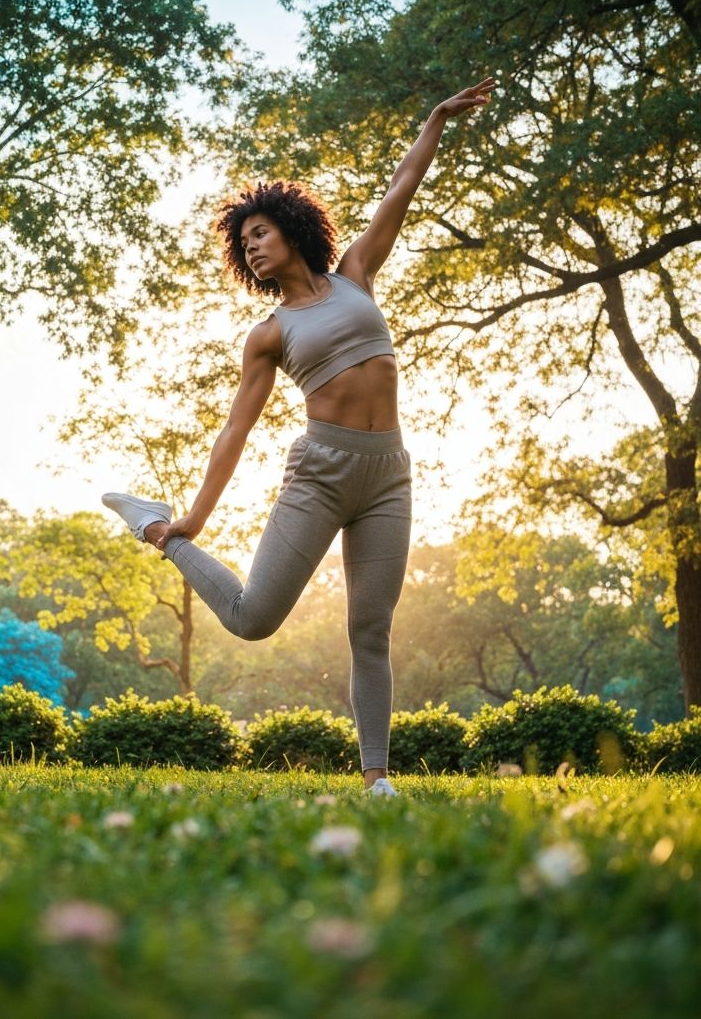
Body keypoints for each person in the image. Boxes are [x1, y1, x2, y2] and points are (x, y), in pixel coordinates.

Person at [103, 78, 495, 796]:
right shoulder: (269, 334)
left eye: (260, 233)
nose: (252, 248)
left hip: (388, 473)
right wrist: (195, 516)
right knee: (253, 620)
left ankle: (377, 779)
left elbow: (401, 188)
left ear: (292, 229)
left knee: (371, 629)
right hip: (320, 472)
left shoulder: (355, 278)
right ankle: (161, 530)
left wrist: (435, 118)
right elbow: (235, 430)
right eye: (243, 243)